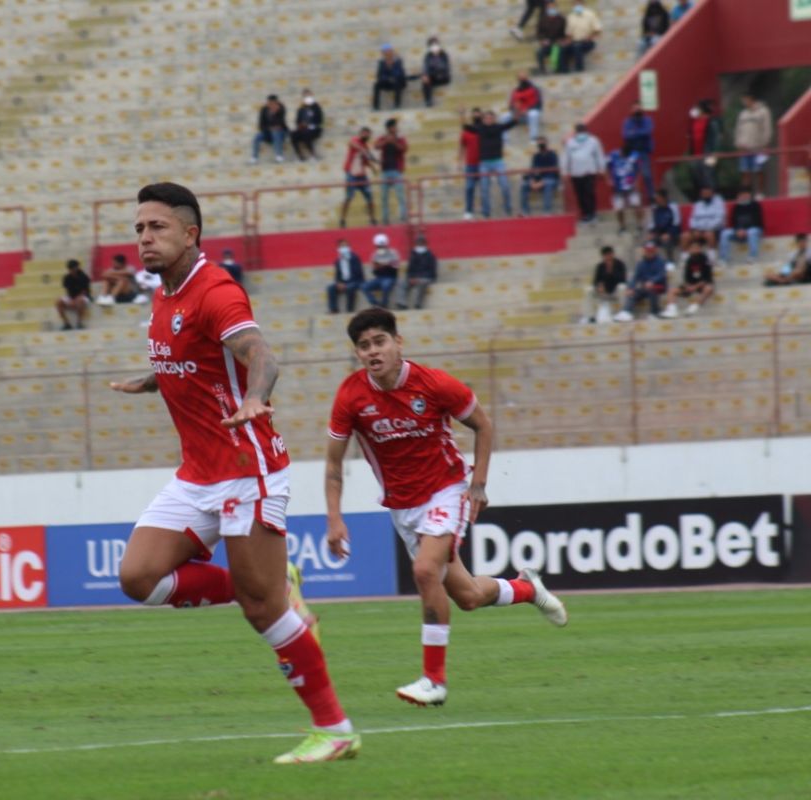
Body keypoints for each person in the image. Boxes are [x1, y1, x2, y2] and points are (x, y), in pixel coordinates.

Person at [110, 182, 359, 764]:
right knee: (137, 578)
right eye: (140, 228)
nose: (145, 237)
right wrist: (153, 380)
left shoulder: (215, 289)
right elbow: (190, 359)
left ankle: (336, 729)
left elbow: (261, 353)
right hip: (198, 474)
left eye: (158, 228)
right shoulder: (165, 294)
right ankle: (276, 585)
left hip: (248, 469)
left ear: (190, 234)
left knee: (261, 610)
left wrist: (256, 396)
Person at [324, 308, 567, 708]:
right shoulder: (351, 395)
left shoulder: (434, 384)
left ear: (398, 343)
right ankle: (528, 588)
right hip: (403, 508)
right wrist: (335, 518)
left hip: (445, 490)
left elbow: (483, 425)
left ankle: (433, 681)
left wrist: (478, 486)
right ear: (357, 353)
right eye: (364, 346)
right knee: (468, 596)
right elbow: (334, 464)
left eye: (380, 341)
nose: (373, 351)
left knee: (424, 571)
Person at [461, 109, 516, 219]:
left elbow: (513, 123)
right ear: (483, 119)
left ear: (494, 119)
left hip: (498, 161)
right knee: (484, 188)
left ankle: (508, 208)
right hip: (484, 163)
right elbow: (465, 127)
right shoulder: (480, 128)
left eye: (490, 118)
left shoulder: (499, 127)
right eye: (486, 118)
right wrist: (462, 114)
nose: (488, 120)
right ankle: (486, 213)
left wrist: (518, 111)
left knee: (504, 185)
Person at [614, 241, 671, 320]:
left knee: (652, 288)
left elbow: (661, 275)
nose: (649, 253)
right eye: (648, 251)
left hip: (659, 286)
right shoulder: (641, 264)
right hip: (645, 287)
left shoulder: (660, 261)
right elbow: (635, 278)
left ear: (655, 251)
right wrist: (630, 288)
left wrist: (652, 281)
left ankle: (654, 312)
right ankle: (626, 312)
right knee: (632, 292)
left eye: (651, 251)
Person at [563, 123, 606, 223]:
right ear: (576, 132)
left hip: (589, 171)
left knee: (589, 193)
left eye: (582, 131)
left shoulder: (593, 141)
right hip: (576, 173)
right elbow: (566, 157)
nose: (581, 134)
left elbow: (599, 155)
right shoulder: (570, 142)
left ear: (586, 131)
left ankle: (593, 214)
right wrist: (565, 171)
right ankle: (585, 214)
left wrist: (602, 169)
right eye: (579, 132)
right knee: (580, 195)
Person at [662, 237, 714, 317]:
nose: (695, 250)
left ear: (700, 249)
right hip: (691, 285)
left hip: (701, 285)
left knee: (709, 288)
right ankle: (672, 310)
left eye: (696, 248)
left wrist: (696, 286)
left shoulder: (705, 259)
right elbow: (686, 278)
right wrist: (688, 286)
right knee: (672, 290)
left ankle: (694, 307)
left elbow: (707, 278)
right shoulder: (689, 261)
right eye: (693, 248)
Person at [734, 93, 773, 197]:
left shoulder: (763, 111)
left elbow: (767, 128)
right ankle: (746, 193)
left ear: (751, 99)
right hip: (745, 148)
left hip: (758, 147)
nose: (744, 102)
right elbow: (738, 129)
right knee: (745, 172)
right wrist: (738, 143)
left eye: (745, 99)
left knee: (759, 171)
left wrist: (765, 143)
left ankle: (760, 193)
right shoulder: (743, 114)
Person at [339, 127, 378, 227]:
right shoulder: (355, 140)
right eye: (364, 133)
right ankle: (342, 219)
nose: (366, 135)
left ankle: (372, 219)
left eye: (368, 134)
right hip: (352, 174)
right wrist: (365, 151)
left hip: (362, 176)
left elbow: (366, 161)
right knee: (348, 197)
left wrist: (373, 168)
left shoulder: (365, 146)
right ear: (360, 133)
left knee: (369, 198)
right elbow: (353, 145)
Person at [374, 118, 408, 225]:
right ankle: (385, 219)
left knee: (400, 195)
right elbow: (376, 146)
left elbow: (404, 149)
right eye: (394, 126)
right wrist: (386, 141)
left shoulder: (400, 138)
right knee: (384, 197)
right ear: (389, 128)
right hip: (385, 171)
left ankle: (403, 217)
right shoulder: (383, 138)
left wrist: (393, 142)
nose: (396, 128)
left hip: (396, 170)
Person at [718, 188, 764, 264]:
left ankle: (753, 256)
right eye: (741, 195)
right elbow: (733, 223)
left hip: (755, 230)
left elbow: (757, 221)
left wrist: (745, 230)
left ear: (749, 195)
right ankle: (723, 259)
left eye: (745, 195)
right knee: (724, 233)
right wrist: (737, 230)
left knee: (751, 232)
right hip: (739, 232)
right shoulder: (736, 207)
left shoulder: (756, 205)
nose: (743, 197)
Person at [687, 99, 723, 193]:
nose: (695, 111)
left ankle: (713, 194)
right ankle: (702, 195)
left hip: (709, 154)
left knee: (709, 175)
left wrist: (715, 153)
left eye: (697, 109)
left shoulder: (712, 122)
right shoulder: (694, 122)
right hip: (696, 155)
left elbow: (716, 139)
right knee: (697, 176)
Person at [621, 102, 655, 201]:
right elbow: (626, 135)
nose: (637, 110)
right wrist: (640, 133)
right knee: (631, 176)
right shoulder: (627, 122)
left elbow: (648, 131)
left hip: (644, 152)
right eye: (635, 109)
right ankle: (632, 199)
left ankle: (651, 197)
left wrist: (634, 132)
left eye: (638, 108)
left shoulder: (647, 120)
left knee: (647, 175)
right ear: (631, 110)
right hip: (632, 153)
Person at [585, 245, 628, 323]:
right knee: (589, 290)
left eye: (609, 254)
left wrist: (611, 271)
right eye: (606, 255)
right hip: (603, 293)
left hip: (615, 292)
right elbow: (595, 281)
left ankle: (623, 312)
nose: (608, 257)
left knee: (622, 287)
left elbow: (623, 280)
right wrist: (598, 286)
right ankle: (591, 316)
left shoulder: (619, 264)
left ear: (612, 254)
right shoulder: (600, 266)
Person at [607, 145, 644, 234]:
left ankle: (640, 224)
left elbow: (639, 168)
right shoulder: (613, 155)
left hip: (631, 185)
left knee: (637, 204)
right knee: (619, 208)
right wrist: (608, 178)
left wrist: (637, 181)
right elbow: (606, 166)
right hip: (618, 187)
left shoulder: (635, 156)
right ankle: (622, 226)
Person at [520, 136, 560, 215]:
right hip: (537, 180)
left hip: (550, 179)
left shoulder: (553, 155)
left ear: (546, 143)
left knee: (548, 184)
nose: (541, 144)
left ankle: (547, 212)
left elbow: (553, 171)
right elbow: (532, 170)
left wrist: (542, 182)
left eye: (542, 142)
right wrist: (532, 181)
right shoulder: (536, 156)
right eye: (539, 143)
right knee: (524, 184)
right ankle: (525, 212)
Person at [362, 233, 401, 308]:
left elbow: (395, 267)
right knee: (364, 286)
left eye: (382, 245)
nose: (380, 247)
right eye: (379, 246)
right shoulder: (374, 255)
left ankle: (384, 304)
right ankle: (375, 303)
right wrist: (381, 266)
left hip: (390, 277)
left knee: (385, 285)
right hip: (379, 278)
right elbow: (374, 270)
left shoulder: (393, 253)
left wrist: (383, 265)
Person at [560, 2, 602, 73]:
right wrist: (567, 41)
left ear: (583, 4)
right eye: (575, 4)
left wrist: (590, 37)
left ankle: (579, 68)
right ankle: (564, 69)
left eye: (578, 3)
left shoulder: (590, 14)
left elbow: (597, 30)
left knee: (577, 47)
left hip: (587, 41)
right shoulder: (571, 16)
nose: (577, 6)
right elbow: (569, 33)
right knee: (564, 48)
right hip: (574, 41)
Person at [327, 239, 366, 314]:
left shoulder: (355, 258)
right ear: (338, 248)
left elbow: (358, 273)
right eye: (342, 246)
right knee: (331, 288)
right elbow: (337, 275)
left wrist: (346, 284)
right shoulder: (338, 261)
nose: (344, 248)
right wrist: (339, 283)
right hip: (343, 282)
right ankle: (334, 309)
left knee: (350, 287)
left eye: (346, 246)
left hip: (356, 281)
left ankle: (349, 310)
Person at [399, 235, 437, 310]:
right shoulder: (413, 255)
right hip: (414, 277)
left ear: (425, 244)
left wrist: (419, 278)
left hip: (426, 277)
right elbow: (410, 269)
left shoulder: (430, 256)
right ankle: (402, 303)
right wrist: (411, 277)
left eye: (421, 243)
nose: (419, 245)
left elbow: (432, 271)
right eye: (418, 243)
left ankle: (418, 303)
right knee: (401, 283)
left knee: (422, 283)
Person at [411, 36, 451, 108]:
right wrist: (425, 75)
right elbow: (425, 67)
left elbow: (444, 67)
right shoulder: (428, 56)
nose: (434, 46)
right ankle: (428, 101)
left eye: (435, 44)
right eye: (432, 45)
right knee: (425, 80)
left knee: (427, 77)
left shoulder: (443, 55)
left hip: (442, 76)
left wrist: (430, 73)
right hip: (432, 77)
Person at [458, 108, 482, 220]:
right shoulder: (467, 131)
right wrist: (459, 162)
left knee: (484, 188)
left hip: (483, 164)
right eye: (474, 114)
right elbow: (462, 147)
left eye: (478, 113)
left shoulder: (484, 129)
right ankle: (468, 211)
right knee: (469, 187)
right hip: (470, 164)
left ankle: (486, 211)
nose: (476, 115)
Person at [250, 94, 288, 164]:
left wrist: (275, 113)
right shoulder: (264, 110)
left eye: (274, 103)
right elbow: (261, 125)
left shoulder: (281, 109)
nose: (272, 105)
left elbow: (280, 124)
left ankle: (279, 156)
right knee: (257, 137)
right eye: (270, 103)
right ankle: (254, 157)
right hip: (267, 132)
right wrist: (270, 128)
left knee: (276, 132)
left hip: (280, 133)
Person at [647, 188, 683, 261]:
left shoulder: (673, 207)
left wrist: (669, 233)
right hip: (659, 234)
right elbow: (652, 225)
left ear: (663, 198)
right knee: (649, 243)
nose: (656, 199)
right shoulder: (655, 209)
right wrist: (651, 233)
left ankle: (670, 261)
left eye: (658, 197)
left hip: (672, 234)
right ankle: (653, 262)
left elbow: (677, 223)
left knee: (667, 242)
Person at [55, 258, 91, 330]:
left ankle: (79, 322)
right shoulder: (67, 278)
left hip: (83, 296)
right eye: (70, 269)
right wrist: (71, 300)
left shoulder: (84, 277)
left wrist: (75, 300)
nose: (72, 270)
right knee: (58, 302)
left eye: (73, 268)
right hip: (71, 296)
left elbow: (84, 291)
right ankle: (66, 323)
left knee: (80, 300)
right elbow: (68, 290)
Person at [507, 72, 544, 141]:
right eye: (520, 78)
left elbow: (538, 104)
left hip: (529, 114)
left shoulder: (534, 89)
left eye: (524, 78)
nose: (522, 80)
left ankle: (533, 138)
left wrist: (527, 110)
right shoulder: (515, 91)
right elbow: (511, 105)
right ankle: (505, 140)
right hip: (518, 115)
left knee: (534, 114)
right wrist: (516, 111)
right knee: (503, 118)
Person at [535, 1, 568, 74]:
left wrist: (562, 40)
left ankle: (561, 70)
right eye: (549, 7)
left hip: (558, 42)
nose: (551, 8)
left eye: (553, 7)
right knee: (539, 53)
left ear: (556, 8)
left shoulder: (561, 19)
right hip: (547, 43)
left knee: (562, 50)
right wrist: (542, 40)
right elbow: (539, 33)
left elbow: (565, 32)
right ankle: (542, 70)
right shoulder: (542, 19)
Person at [292, 89, 324, 161]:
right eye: (305, 96)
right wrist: (301, 124)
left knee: (306, 133)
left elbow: (320, 120)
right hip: (303, 128)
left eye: (308, 95)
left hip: (314, 129)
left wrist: (309, 125)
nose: (307, 97)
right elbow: (297, 120)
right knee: (294, 134)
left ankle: (313, 154)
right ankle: (300, 155)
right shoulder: (301, 108)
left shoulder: (316, 107)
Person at [373, 44, 407, 110]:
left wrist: (391, 67)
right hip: (387, 82)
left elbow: (399, 74)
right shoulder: (381, 62)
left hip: (397, 81)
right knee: (376, 85)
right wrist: (387, 78)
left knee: (397, 83)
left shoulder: (398, 61)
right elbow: (380, 75)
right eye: (385, 52)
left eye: (388, 51)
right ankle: (375, 106)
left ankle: (397, 104)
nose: (387, 53)